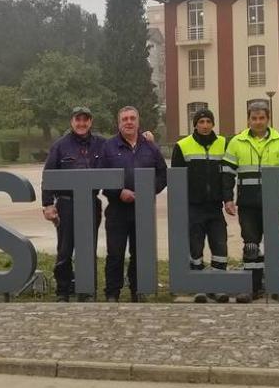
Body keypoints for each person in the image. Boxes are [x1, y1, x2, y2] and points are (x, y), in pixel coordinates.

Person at [225, 101, 279, 303]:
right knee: (251, 245)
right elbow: (227, 174)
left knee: (274, 245)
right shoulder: (237, 142)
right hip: (247, 204)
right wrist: (228, 199)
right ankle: (252, 287)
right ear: (248, 119)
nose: (258, 122)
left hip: (273, 202)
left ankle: (278, 287)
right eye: (254, 118)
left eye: (261, 118)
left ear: (268, 119)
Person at [100, 106, 167, 302]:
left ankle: (138, 291)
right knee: (115, 253)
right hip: (117, 210)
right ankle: (112, 293)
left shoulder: (150, 147)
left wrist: (148, 191)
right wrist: (118, 192)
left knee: (140, 253)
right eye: (124, 119)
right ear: (118, 123)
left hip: (143, 210)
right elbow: (101, 176)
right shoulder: (108, 147)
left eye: (132, 118)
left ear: (138, 121)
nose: (128, 122)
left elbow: (162, 174)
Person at [41, 106, 106, 302]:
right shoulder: (60, 146)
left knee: (88, 248)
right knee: (65, 249)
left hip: (91, 204)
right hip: (66, 205)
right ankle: (63, 291)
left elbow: (122, 146)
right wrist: (47, 204)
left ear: (91, 122)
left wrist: (146, 138)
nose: (81, 123)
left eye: (85, 120)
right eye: (78, 120)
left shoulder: (101, 144)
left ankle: (87, 291)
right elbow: (48, 176)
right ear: (72, 122)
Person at [171, 107, 235, 303]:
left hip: (215, 207)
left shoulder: (224, 143)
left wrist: (227, 199)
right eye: (201, 122)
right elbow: (177, 179)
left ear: (213, 124)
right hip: (193, 206)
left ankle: (217, 287)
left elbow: (227, 175)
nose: (205, 125)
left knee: (220, 246)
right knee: (195, 248)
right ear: (195, 125)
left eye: (208, 122)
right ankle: (198, 287)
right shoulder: (182, 145)